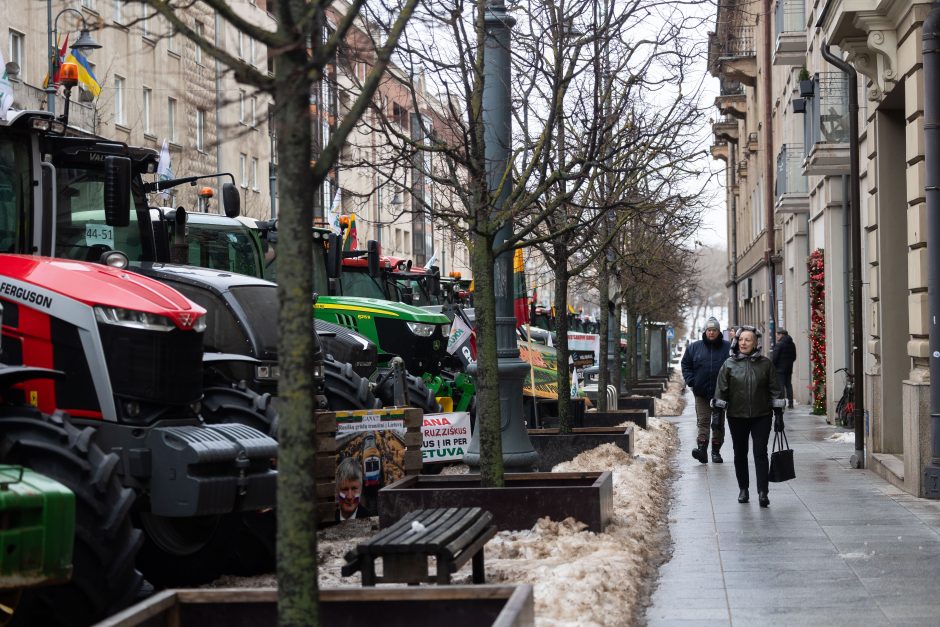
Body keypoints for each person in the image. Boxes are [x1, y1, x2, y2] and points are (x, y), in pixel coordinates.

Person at [713, 326, 786, 508]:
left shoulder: (765, 364)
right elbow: (721, 391)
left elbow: (775, 390)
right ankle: (743, 489)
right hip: (737, 416)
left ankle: (763, 492)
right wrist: (717, 416)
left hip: (762, 415)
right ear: (737, 342)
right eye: (741, 340)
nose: (744, 343)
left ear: (756, 343)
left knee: (760, 453)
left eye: (748, 340)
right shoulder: (728, 364)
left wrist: (778, 416)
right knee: (740, 453)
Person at [681, 317, 732, 464]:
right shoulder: (694, 347)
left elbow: (734, 366)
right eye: (709, 330)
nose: (711, 333)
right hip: (701, 392)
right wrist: (692, 381)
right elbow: (686, 364)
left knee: (717, 424)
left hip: (720, 393)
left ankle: (716, 452)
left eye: (714, 330)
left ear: (718, 331)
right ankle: (702, 450)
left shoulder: (727, 347)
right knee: (703, 421)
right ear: (705, 331)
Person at [335, 456, 372, 521]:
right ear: (337, 490)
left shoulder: (371, 520)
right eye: (345, 489)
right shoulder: (328, 519)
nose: (349, 496)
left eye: (354, 488)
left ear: (361, 490)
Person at [771, 328, 797, 408]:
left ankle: (782, 403)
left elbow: (774, 358)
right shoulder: (792, 344)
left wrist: (773, 365)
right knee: (788, 385)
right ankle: (791, 403)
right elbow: (794, 357)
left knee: (781, 385)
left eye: (777, 335)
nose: (777, 337)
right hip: (789, 368)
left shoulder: (779, 344)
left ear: (781, 335)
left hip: (779, 369)